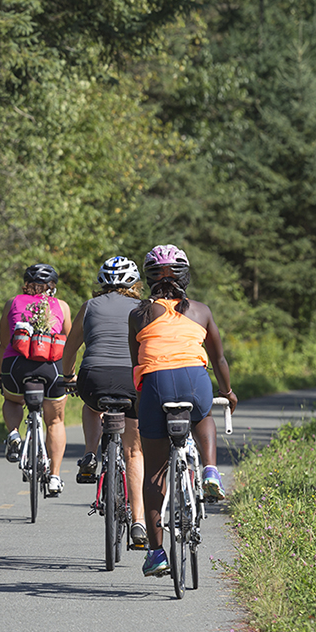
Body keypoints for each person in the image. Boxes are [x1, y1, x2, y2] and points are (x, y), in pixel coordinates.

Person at [127, 244, 237, 577]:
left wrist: (142, 399)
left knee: (155, 474)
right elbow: (218, 359)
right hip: (195, 381)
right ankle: (210, 471)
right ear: (185, 277)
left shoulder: (138, 315)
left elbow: (137, 362)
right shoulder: (201, 310)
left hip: (156, 386)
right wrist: (228, 392)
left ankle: (157, 553)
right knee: (203, 414)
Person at [60, 256, 148, 547]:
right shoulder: (143, 309)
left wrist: (68, 376)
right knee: (134, 452)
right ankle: (138, 522)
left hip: (93, 377)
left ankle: (89, 455)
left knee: (92, 405)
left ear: (101, 282)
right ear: (135, 283)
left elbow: (70, 349)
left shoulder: (89, 307)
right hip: (132, 380)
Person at [0, 263, 73, 494]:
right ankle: (55, 477)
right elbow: (68, 343)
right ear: (52, 287)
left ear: (26, 284)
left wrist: (1, 369)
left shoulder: (12, 303)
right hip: (52, 368)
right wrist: (71, 373)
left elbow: (4, 341)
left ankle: (13, 433)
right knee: (55, 421)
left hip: (16, 366)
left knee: (12, 399)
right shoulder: (62, 306)